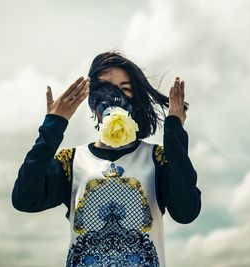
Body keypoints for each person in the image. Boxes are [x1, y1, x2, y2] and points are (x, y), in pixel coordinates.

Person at [11, 51, 202, 267]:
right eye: (106, 88)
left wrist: (175, 132)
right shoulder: (71, 161)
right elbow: (24, 199)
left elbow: (186, 212)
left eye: (125, 89)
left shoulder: (157, 159)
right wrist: (53, 125)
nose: (115, 98)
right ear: (92, 99)